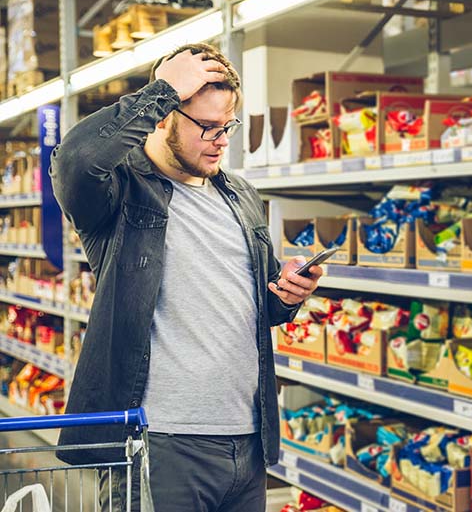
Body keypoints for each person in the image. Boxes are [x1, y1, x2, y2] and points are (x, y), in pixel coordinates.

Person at [49, 42, 321, 511]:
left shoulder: (240, 194)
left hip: (247, 439)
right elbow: (74, 161)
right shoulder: (120, 191)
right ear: (162, 115)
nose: (221, 140)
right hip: (159, 442)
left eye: (227, 125)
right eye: (207, 127)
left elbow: (251, 302)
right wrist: (162, 89)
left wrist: (286, 295)